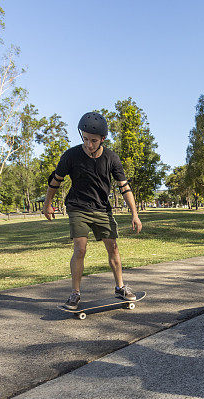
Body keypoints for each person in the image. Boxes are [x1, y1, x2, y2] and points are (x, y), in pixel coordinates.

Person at [43, 111, 142, 309]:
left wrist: (135, 214)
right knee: (80, 249)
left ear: (102, 139)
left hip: (102, 209)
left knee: (112, 247)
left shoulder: (111, 158)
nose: (89, 144)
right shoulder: (71, 155)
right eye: (86, 139)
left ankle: (120, 287)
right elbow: (56, 181)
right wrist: (47, 204)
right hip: (77, 207)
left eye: (94, 141)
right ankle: (75, 294)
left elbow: (124, 186)